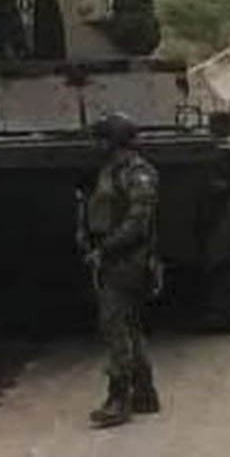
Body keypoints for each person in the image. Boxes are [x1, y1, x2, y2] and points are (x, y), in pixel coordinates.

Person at [82, 112, 161, 429]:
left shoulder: (137, 174)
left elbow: (138, 221)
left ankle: (119, 397)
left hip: (127, 258)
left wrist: (106, 248)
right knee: (129, 324)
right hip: (115, 255)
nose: (97, 146)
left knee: (115, 325)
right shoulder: (112, 170)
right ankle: (144, 392)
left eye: (102, 140)